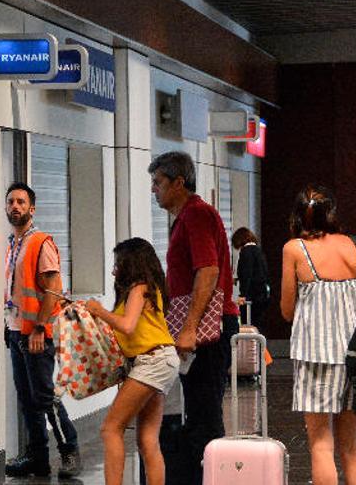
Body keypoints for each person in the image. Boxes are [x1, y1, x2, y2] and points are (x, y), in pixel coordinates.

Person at [280, 184, 356, 485]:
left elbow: (287, 311)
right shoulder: (355, 246)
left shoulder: (294, 249)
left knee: (320, 444)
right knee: (351, 448)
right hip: (355, 357)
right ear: (331, 213)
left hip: (315, 357)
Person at [148, 151, 240, 484]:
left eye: (158, 183)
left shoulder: (196, 215)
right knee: (201, 410)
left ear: (178, 182)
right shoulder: (188, 217)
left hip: (206, 330)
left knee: (205, 414)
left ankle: (212, 476)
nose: (153, 190)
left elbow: (208, 270)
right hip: (203, 327)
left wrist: (189, 327)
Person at [85, 238, 180, 485]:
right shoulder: (150, 289)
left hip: (152, 361)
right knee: (147, 439)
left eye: (118, 263)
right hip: (162, 360)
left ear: (131, 264)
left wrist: (99, 311)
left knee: (110, 429)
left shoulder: (139, 288)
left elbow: (127, 326)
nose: (114, 270)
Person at [2, 182, 80, 478]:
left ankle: (69, 451)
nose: (15, 207)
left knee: (45, 397)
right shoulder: (13, 244)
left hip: (36, 334)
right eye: (11, 202)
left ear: (32, 209)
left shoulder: (40, 242)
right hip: (16, 331)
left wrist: (40, 328)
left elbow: (53, 290)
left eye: (21, 202)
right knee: (27, 399)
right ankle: (38, 458)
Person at [231, 227, 270, 331]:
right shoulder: (258, 251)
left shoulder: (246, 251)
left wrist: (243, 294)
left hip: (251, 296)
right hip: (261, 295)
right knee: (258, 327)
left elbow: (246, 273)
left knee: (248, 326)